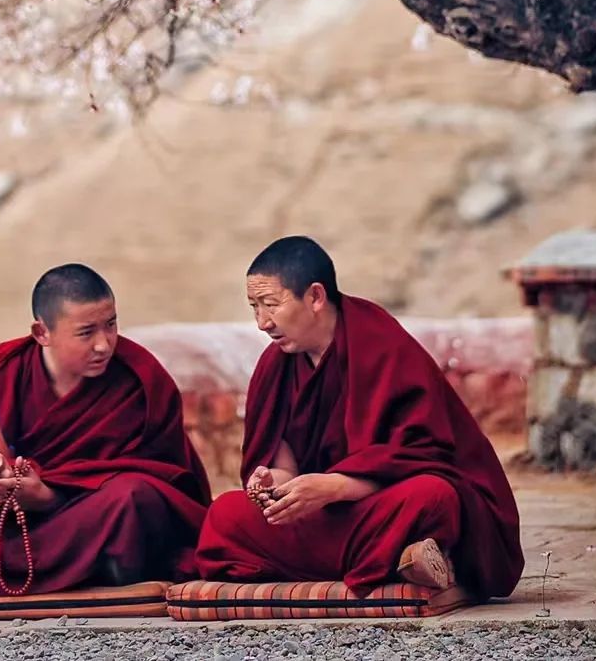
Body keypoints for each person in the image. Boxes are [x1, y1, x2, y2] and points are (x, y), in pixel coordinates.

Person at [195, 236, 523, 601]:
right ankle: (402, 558)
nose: (261, 322)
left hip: (375, 501)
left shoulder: (382, 345)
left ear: (316, 297)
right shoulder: (276, 366)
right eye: (254, 307)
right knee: (225, 514)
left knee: (434, 497)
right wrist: (277, 486)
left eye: (270, 305)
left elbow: (423, 455)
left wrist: (334, 486)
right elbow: (282, 457)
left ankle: (392, 554)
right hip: (327, 517)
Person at [0, 263, 211, 599]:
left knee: (135, 497)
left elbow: (168, 475)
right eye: (86, 332)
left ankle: (92, 570)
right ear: (42, 333)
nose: (104, 344)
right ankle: (86, 573)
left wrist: (48, 496)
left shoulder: (140, 377)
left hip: (89, 517)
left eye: (110, 325)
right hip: (11, 523)